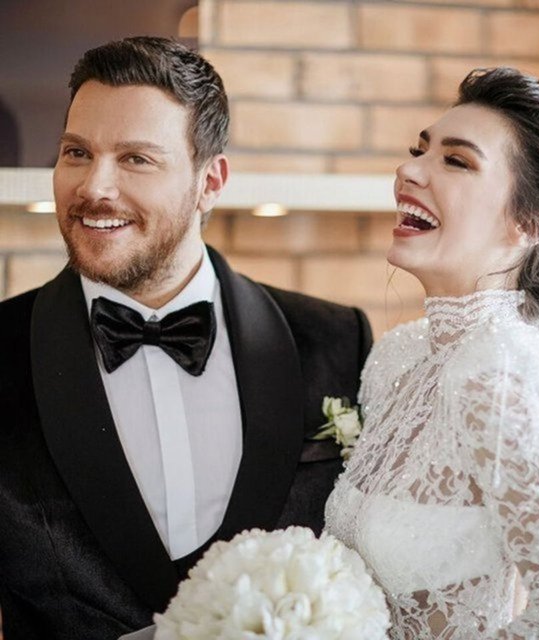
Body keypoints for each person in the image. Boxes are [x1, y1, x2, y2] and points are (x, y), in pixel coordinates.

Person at [0, 37, 372, 639]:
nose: (94, 186)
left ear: (210, 181)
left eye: (136, 159)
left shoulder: (336, 341)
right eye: (77, 152)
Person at [325, 67, 539, 638]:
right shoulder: (396, 359)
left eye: (456, 161)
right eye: (420, 151)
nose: (409, 171)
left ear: (530, 223)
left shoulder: (501, 371)